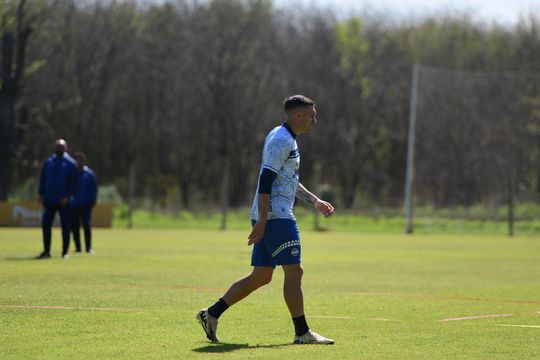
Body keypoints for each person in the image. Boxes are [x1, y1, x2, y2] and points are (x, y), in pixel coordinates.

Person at [196, 95, 335, 345]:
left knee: (261, 276)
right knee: (295, 271)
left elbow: (287, 178)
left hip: (270, 216)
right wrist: (262, 220)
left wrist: (314, 200)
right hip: (275, 217)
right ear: (298, 116)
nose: (315, 120)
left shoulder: (285, 137)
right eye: (312, 115)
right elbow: (266, 180)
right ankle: (302, 332)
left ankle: (211, 314)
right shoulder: (282, 140)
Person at [37, 139, 78, 259]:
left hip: (64, 201)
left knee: (65, 226)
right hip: (49, 199)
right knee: (46, 225)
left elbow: (74, 183)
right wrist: (41, 193)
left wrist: (68, 196)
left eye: (61, 146)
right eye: (57, 146)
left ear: (66, 148)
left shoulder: (70, 163)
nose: (59, 148)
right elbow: (43, 178)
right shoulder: (49, 162)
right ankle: (46, 251)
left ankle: (65, 252)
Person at [70, 152, 97, 254]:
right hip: (73, 204)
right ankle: (78, 247)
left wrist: (92, 201)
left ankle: (88, 247)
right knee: (74, 227)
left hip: (86, 204)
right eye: (76, 160)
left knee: (86, 226)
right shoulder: (72, 173)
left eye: (79, 160)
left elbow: (94, 189)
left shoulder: (89, 174)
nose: (77, 162)